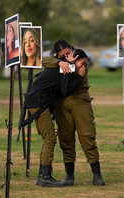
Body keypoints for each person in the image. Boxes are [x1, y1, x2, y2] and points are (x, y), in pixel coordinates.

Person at [42, 39, 105, 186]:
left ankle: (97, 174)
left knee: (87, 136)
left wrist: (67, 64)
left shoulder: (79, 55)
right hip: (62, 102)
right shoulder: (59, 61)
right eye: (62, 55)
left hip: (80, 98)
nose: (66, 57)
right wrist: (60, 63)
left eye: (67, 53)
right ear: (57, 55)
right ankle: (69, 175)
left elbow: (78, 67)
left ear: (71, 48)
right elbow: (44, 61)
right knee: (66, 138)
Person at [22, 49, 87, 187]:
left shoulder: (65, 65)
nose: (84, 66)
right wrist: (79, 77)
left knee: (48, 138)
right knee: (50, 138)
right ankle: (44, 177)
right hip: (38, 102)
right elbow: (65, 90)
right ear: (75, 58)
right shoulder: (64, 66)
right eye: (83, 62)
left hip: (37, 102)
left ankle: (44, 175)